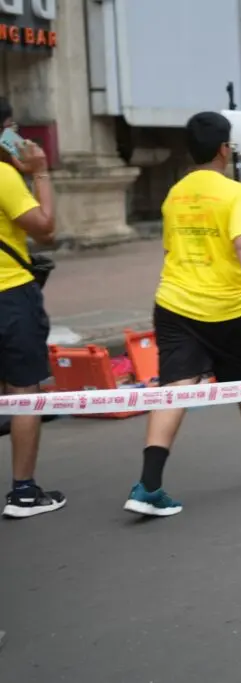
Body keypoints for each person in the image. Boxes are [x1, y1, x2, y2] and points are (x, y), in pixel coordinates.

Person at [123, 112, 241, 517]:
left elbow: (171, 248)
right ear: (225, 149)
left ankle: (148, 485)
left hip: (174, 304)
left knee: (174, 389)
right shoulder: (235, 193)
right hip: (225, 308)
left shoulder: (174, 193)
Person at [0, 107, 62, 519]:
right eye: (11, 130)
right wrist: (39, 172)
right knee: (24, 392)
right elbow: (45, 226)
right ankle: (23, 492)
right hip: (8, 296)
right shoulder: (4, 177)